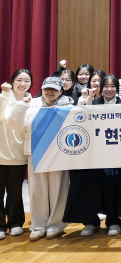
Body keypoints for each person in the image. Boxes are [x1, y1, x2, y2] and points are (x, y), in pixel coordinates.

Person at [63, 74, 121, 236]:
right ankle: (90, 222)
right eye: (106, 86)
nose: (109, 89)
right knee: (91, 189)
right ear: (101, 88)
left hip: (116, 157)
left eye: (113, 86)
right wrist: (88, 102)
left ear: (117, 88)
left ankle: (113, 221)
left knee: (112, 190)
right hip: (93, 155)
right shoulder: (93, 104)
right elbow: (80, 122)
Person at [8, 77, 73, 241]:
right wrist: (22, 105)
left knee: (58, 190)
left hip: (59, 152)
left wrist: (63, 113)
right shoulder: (32, 103)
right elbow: (14, 124)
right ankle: (38, 226)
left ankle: (56, 225)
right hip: (36, 151)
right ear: (42, 89)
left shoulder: (68, 105)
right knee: (37, 190)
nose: (50, 92)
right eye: (47, 88)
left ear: (61, 91)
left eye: (54, 89)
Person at [0, 70, 32, 239]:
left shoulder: (32, 103)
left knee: (15, 192)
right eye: (19, 80)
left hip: (19, 155)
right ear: (12, 82)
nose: (22, 84)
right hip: (0, 153)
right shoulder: (4, 98)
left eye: (26, 80)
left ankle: (15, 223)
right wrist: (4, 95)